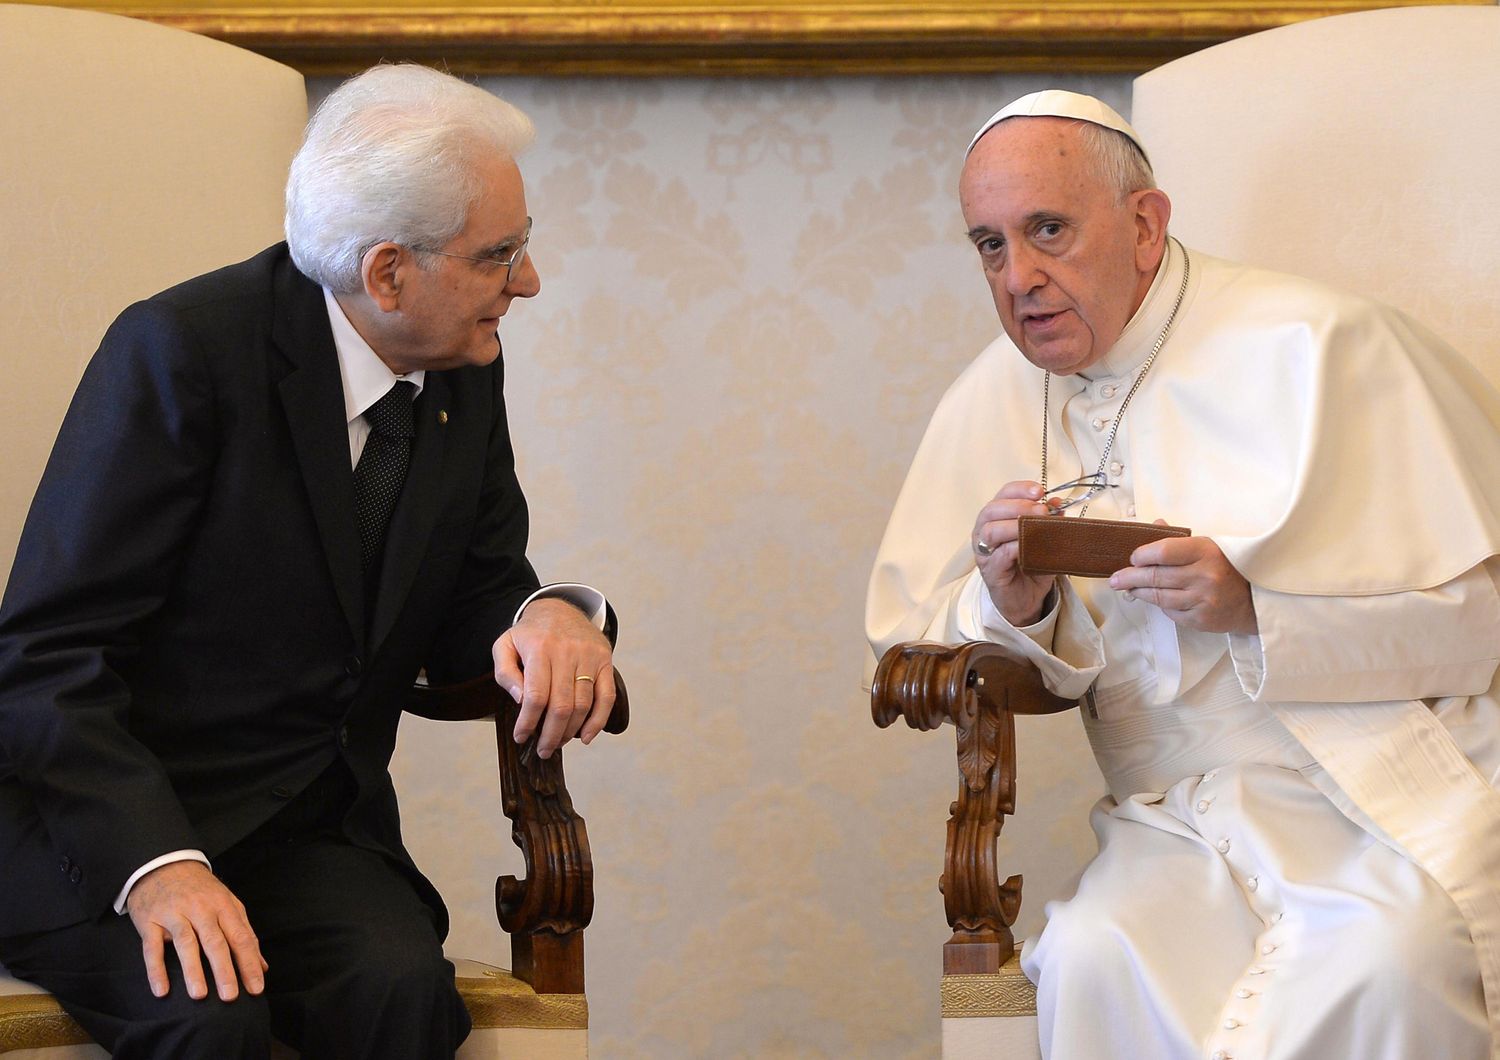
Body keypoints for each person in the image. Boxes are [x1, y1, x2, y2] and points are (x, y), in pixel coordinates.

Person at [866, 89, 1500, 1059]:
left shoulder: (1322, 345)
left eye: (1047, 230)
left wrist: (1255, 608)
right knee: (1091, 951)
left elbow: (1477, 621)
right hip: (1168, 815)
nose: (1019, 277)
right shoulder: (991, 394)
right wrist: (1011, 601)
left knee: (1385, 960)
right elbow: (916, 643)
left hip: (1360, 782)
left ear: (1146, 225)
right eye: (990, 245)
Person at [0, 63, 617, 1059]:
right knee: (213, 1018)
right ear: (387, 273)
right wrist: (158, 864)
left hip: (303, 829)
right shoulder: (182, 353)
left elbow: (476, 578)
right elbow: (46, 654)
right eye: (501, 254)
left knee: (398, 989)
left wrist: (541, 614)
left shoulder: (461, 366)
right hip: (99, 831)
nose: (529, 282)